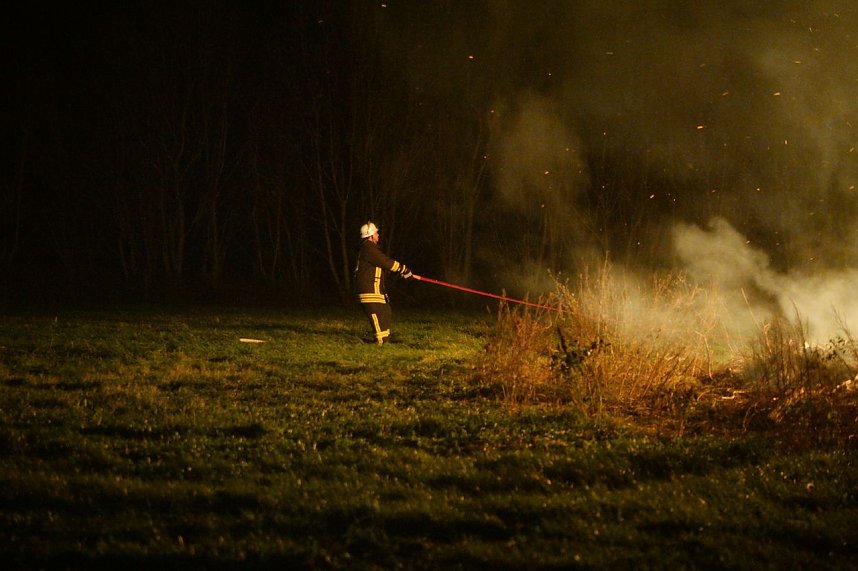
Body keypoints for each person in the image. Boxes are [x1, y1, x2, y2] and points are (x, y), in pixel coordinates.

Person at [354, 221, 413, 344]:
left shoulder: (370, 249)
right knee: (378, 314)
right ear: (370, 235)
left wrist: (400, 271)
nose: (378, 234)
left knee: (386, 311)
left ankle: (384, 340)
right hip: (369, 290)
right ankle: (380, 341)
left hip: (376, 289)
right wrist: (403, 269)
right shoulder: (368, 248)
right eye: (376, 232)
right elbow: (385, 262)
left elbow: (381, 266)